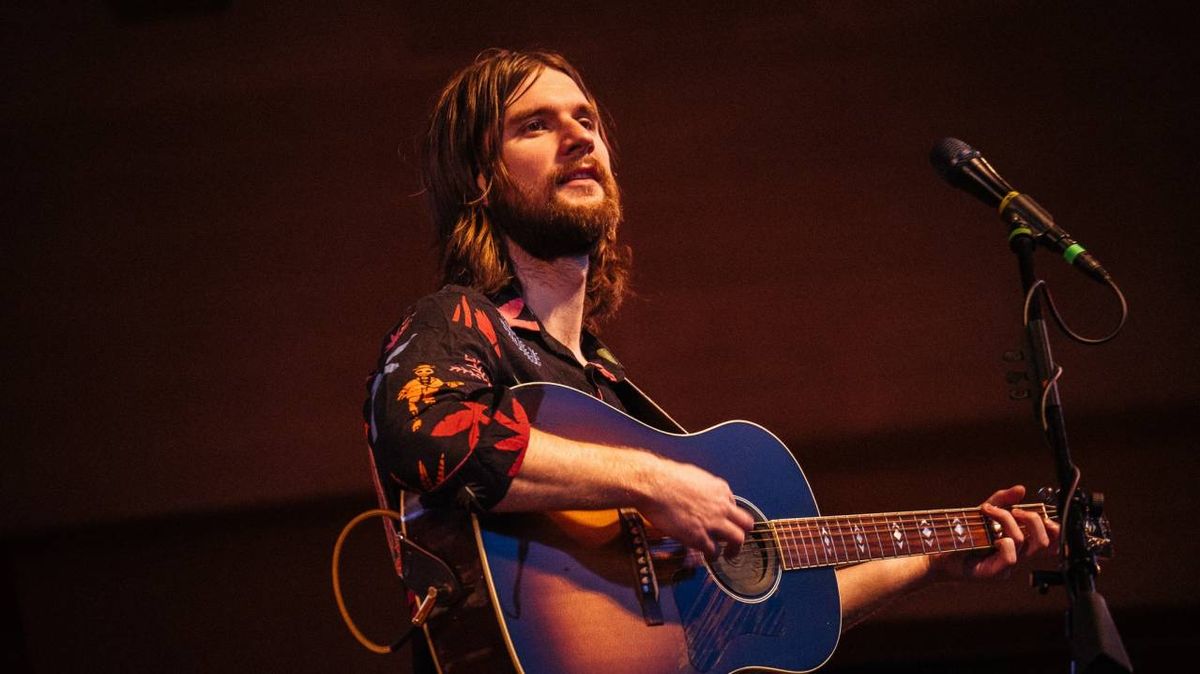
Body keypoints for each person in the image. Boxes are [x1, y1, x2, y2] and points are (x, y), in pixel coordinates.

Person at [362, 48, 1058, 671]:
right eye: (535, 126)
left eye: (587, 120)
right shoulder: (462, 320)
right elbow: (422, 433)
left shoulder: (608, 391)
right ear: (480, 179)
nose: (579, 137)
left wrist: (931, 560)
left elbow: (761, 619)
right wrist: (652, 481)